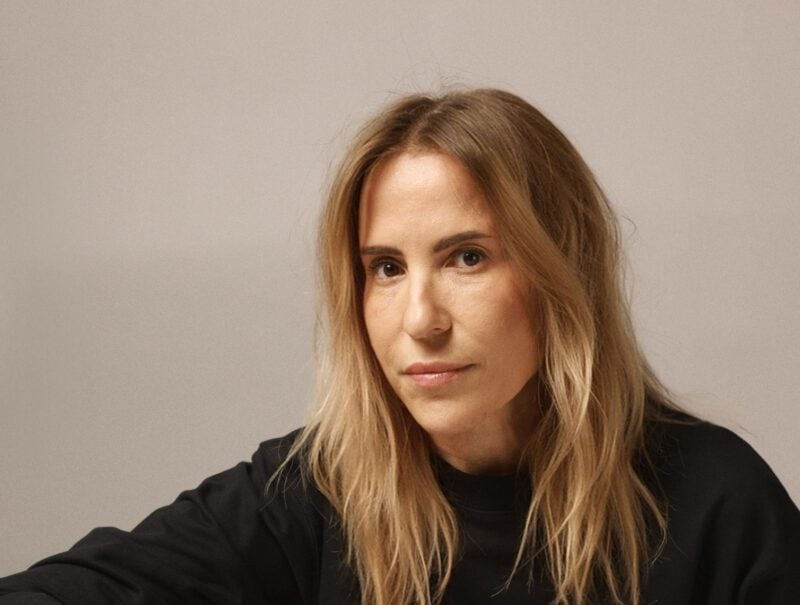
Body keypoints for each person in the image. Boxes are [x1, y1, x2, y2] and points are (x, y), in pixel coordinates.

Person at [1, 88, 798, 605]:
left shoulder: (719, 503)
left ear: (564, 271)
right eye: (385, 267)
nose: (420, 318)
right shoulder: (313, 495)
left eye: (467, 257)